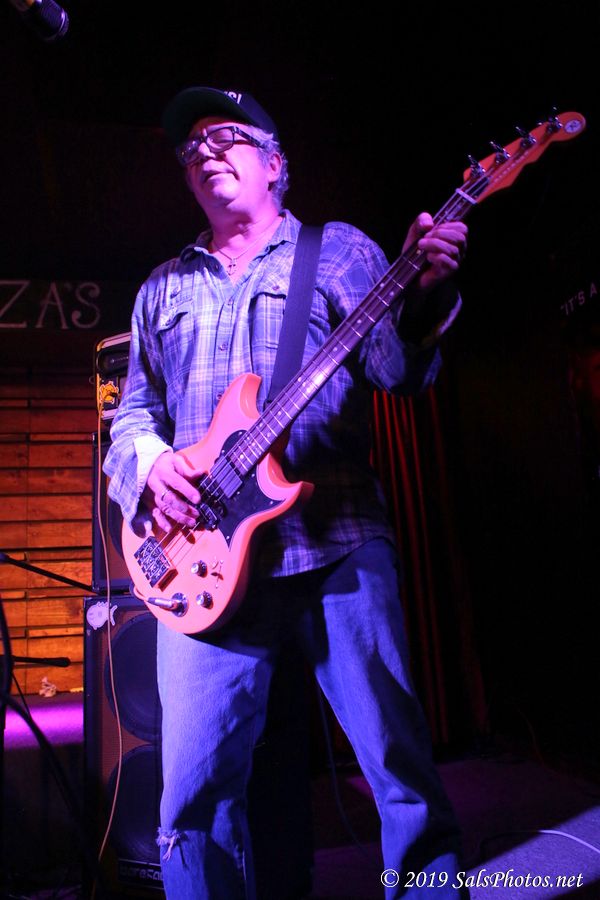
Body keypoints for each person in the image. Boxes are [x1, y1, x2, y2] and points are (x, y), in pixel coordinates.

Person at [104, 85, 469, 898]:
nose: (205, 151)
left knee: (400, 773)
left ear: (275, 164)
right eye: (191, 148)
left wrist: (425, 299)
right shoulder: (162, 286)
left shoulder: (336, 252)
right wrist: (153, 467)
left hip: (334, 541)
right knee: (191, 803)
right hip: (203, 565)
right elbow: (133, 416)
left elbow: (397, 371)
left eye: (226, 137)